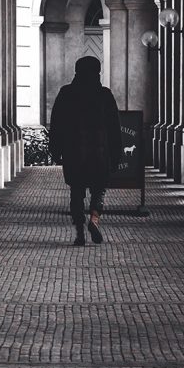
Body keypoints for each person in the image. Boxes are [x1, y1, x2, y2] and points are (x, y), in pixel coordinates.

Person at [48, 56, 123, 245]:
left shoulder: (66, 93)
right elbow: (114, 127)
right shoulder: (105, 95)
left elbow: (57, 123)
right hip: (100, 152)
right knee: (99, 190)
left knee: (76, 191)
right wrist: (116, 154)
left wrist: (55, 149)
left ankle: (80, 231)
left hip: (74, 152)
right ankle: (94, 219)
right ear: (98, 72)